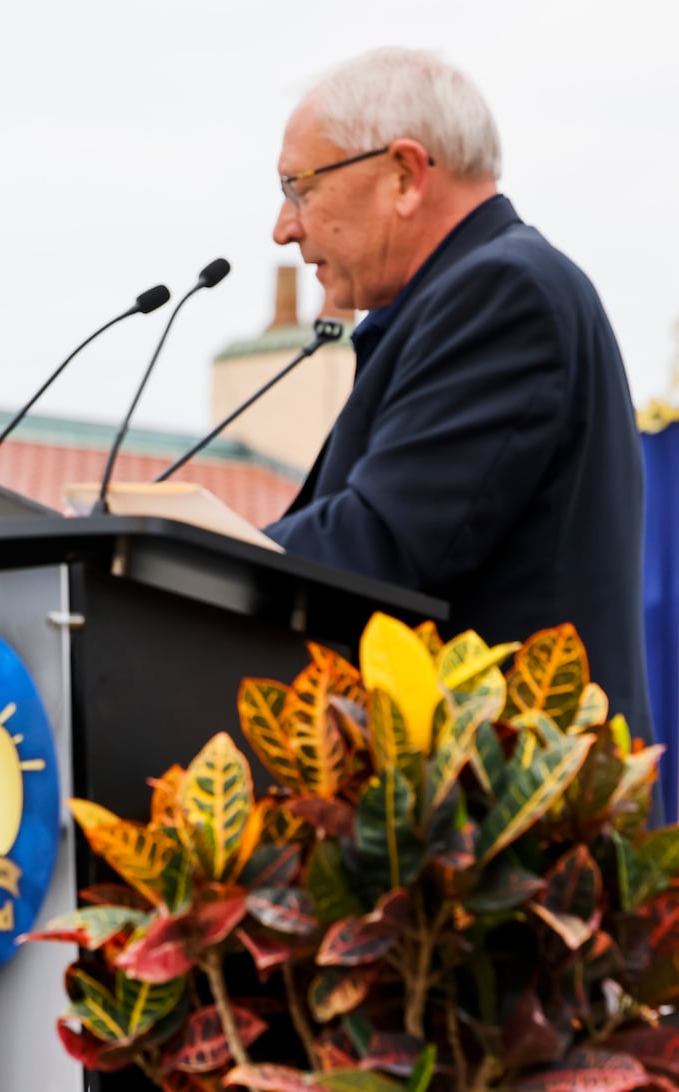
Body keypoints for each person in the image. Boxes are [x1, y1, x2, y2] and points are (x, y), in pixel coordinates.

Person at [264, 48, 651, 743]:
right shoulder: (468, 295)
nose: (284, 227)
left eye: (300, 187)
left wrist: (194, 553)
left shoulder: (504, 294)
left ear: (405, 176)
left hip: (511, 821)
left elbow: (379, 549)